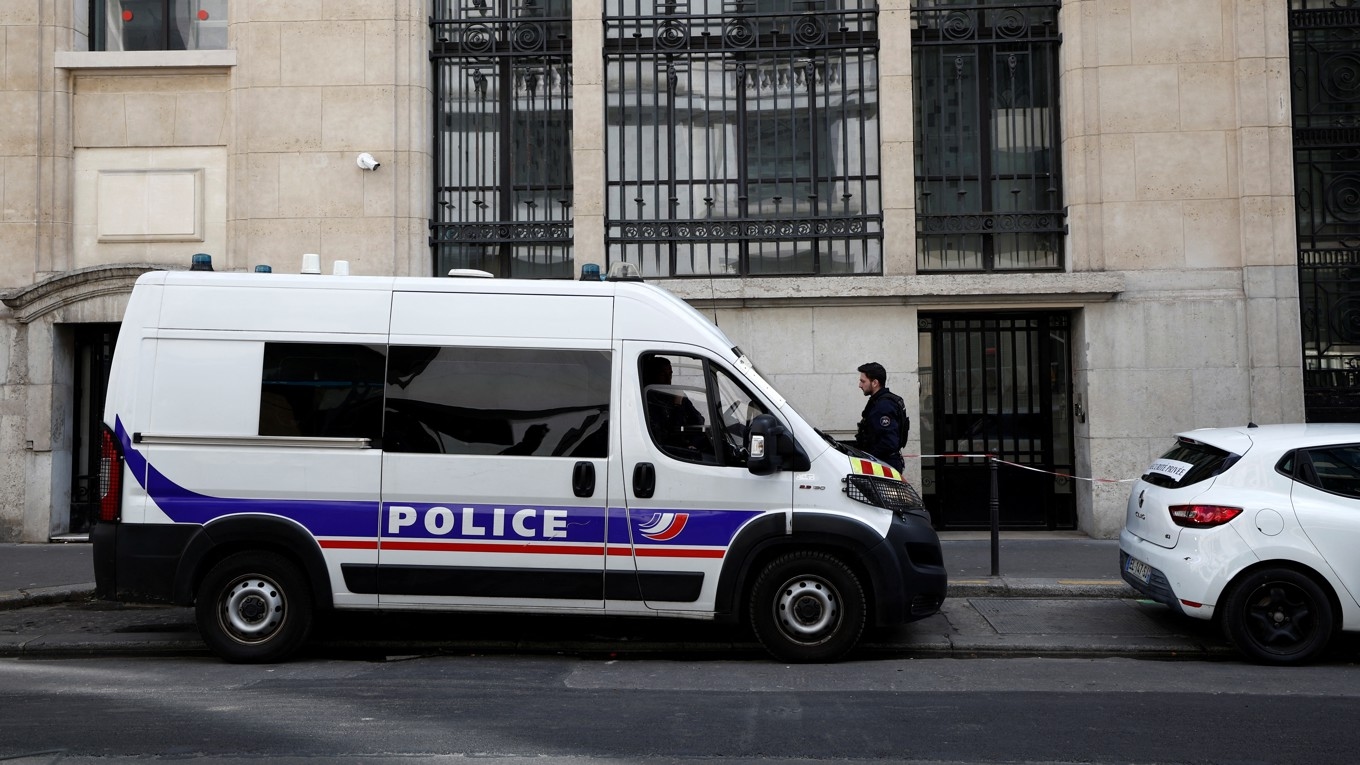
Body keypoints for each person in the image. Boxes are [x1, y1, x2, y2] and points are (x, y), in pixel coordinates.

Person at [643, 355, 708, 454]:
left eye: (670, 374)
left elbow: (698, 419)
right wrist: (677, 405)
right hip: (668, 450)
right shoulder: (649, 398)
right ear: (653, 375)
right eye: (663, 374)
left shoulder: (674, 393)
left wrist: (693, 444)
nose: (668, 378)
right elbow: (670, 431)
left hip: (687, 445)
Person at [853, 361, 908, 471]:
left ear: (875, 383)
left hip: (884, 465)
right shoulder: (879, 402)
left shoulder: (884, 406)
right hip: (882, 463)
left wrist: (867, 457)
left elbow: (889, 442)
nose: (860, 385)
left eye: (863, 381)